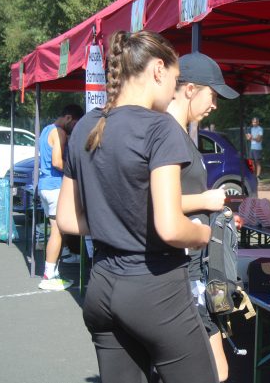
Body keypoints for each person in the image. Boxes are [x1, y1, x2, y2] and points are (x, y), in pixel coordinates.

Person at [56, 30, 218, 383]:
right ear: (158, 70)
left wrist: (114, 223)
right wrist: (205, 233)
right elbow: (172, 227)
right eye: (175, 80)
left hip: (101, 288)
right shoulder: (160, 128)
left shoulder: (86, 124)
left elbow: (67, 219)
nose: (174, 91)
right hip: (155, 288)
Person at [166, 51, 239, 382]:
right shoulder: (168, 133)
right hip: (183, 272)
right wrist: (207, 200)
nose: (215, 105)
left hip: (195, 270)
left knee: (213, 369)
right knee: (214, 371)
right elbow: (151, 204)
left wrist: (216, 214)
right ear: (191, 88)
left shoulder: (180, 133)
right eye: (213, 94)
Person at [37, 104, 84, 290]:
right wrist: (75, 173)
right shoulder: (59, 133)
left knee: (58, 230)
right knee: (57, 231)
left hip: (46, 186)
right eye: (75, 124)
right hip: (55, 186)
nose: (75, 128)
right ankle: (49, 275)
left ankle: (53, 270)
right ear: (69, 118)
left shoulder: (46, 130)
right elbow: (57, 162)